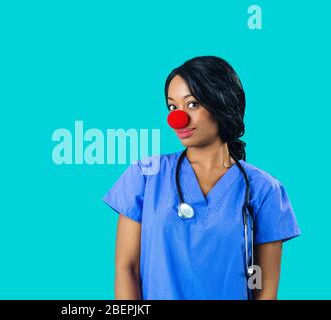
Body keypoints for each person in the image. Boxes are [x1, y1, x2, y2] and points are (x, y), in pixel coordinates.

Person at [102, 56, 301, 300]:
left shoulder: (264, 190)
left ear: (223, 103)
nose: (178, 119)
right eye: (173, 107)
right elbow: (127, 269)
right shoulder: (146, 175)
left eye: (193, 104)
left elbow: (264, 288)